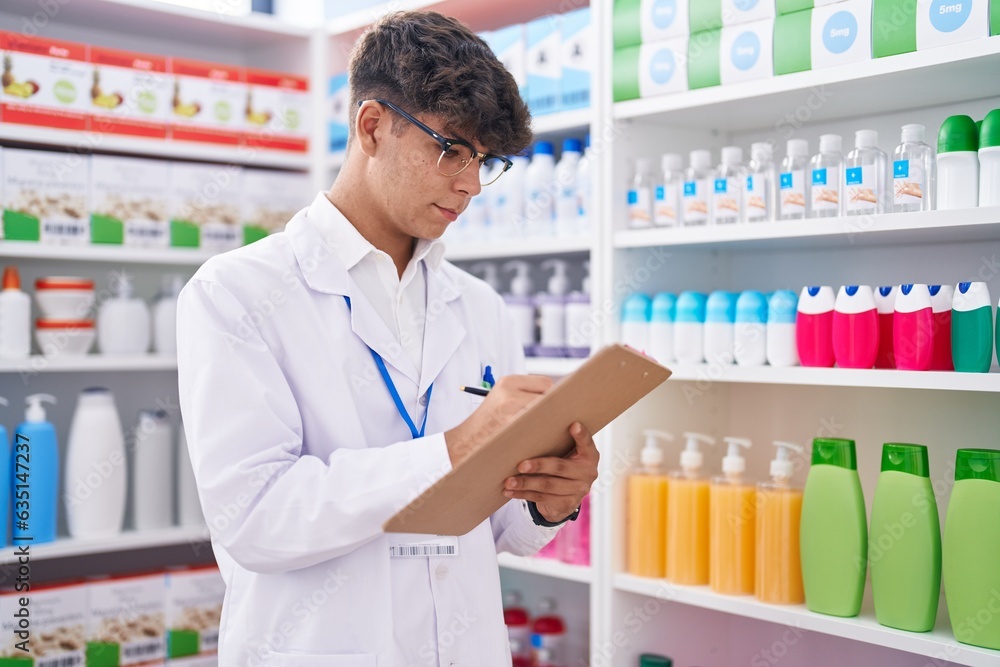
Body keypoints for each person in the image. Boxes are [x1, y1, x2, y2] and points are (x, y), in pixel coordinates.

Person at [177, 10, 599, 666]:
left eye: (484, 161)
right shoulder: (237, 293)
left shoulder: (480, 307)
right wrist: (454, 449)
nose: (468, 183)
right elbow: (254, 517)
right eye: (450, 148)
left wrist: (551, 498)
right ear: (372, 126)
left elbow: (502, 530)